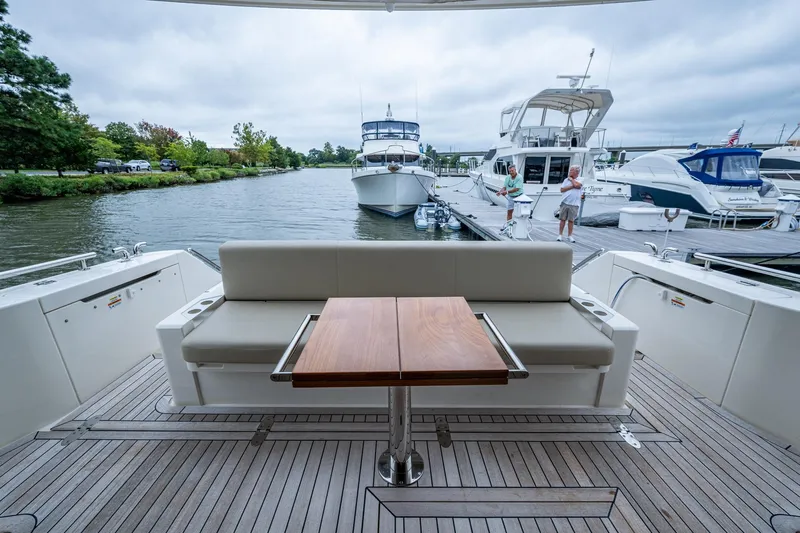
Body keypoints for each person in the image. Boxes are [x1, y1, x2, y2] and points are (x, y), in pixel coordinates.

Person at [557, 165, 583, 243]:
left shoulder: (581, 179)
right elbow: (562, 189)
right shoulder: (566, 180)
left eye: (571, 170)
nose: (570, 172)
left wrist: (571, 180)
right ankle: (560, 235)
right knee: (562, 219)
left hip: (574, 204)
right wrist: (572, 186)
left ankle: (570, 236)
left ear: (576, 172)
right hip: (565, 202)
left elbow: (578, 186)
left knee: (571, 220)